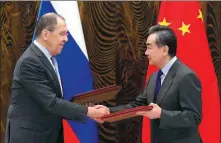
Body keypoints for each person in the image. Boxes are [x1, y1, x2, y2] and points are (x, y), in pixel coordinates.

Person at [5, 12, 109, 143]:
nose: (66, 39)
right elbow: (51, 103)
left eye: (66, 34)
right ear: (45, 34)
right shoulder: (30, 62)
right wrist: (88, 111)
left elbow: (50, 100)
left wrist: (83, 105)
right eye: (62, 34)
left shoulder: (48, 59)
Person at [97, 25, 202, 143]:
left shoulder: (186, 76)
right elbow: (137, 105)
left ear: (164, 50)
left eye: (149, 47)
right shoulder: (154, 77)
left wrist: (162, 114)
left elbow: (193, 117)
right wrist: (108, 112)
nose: (146, 52)